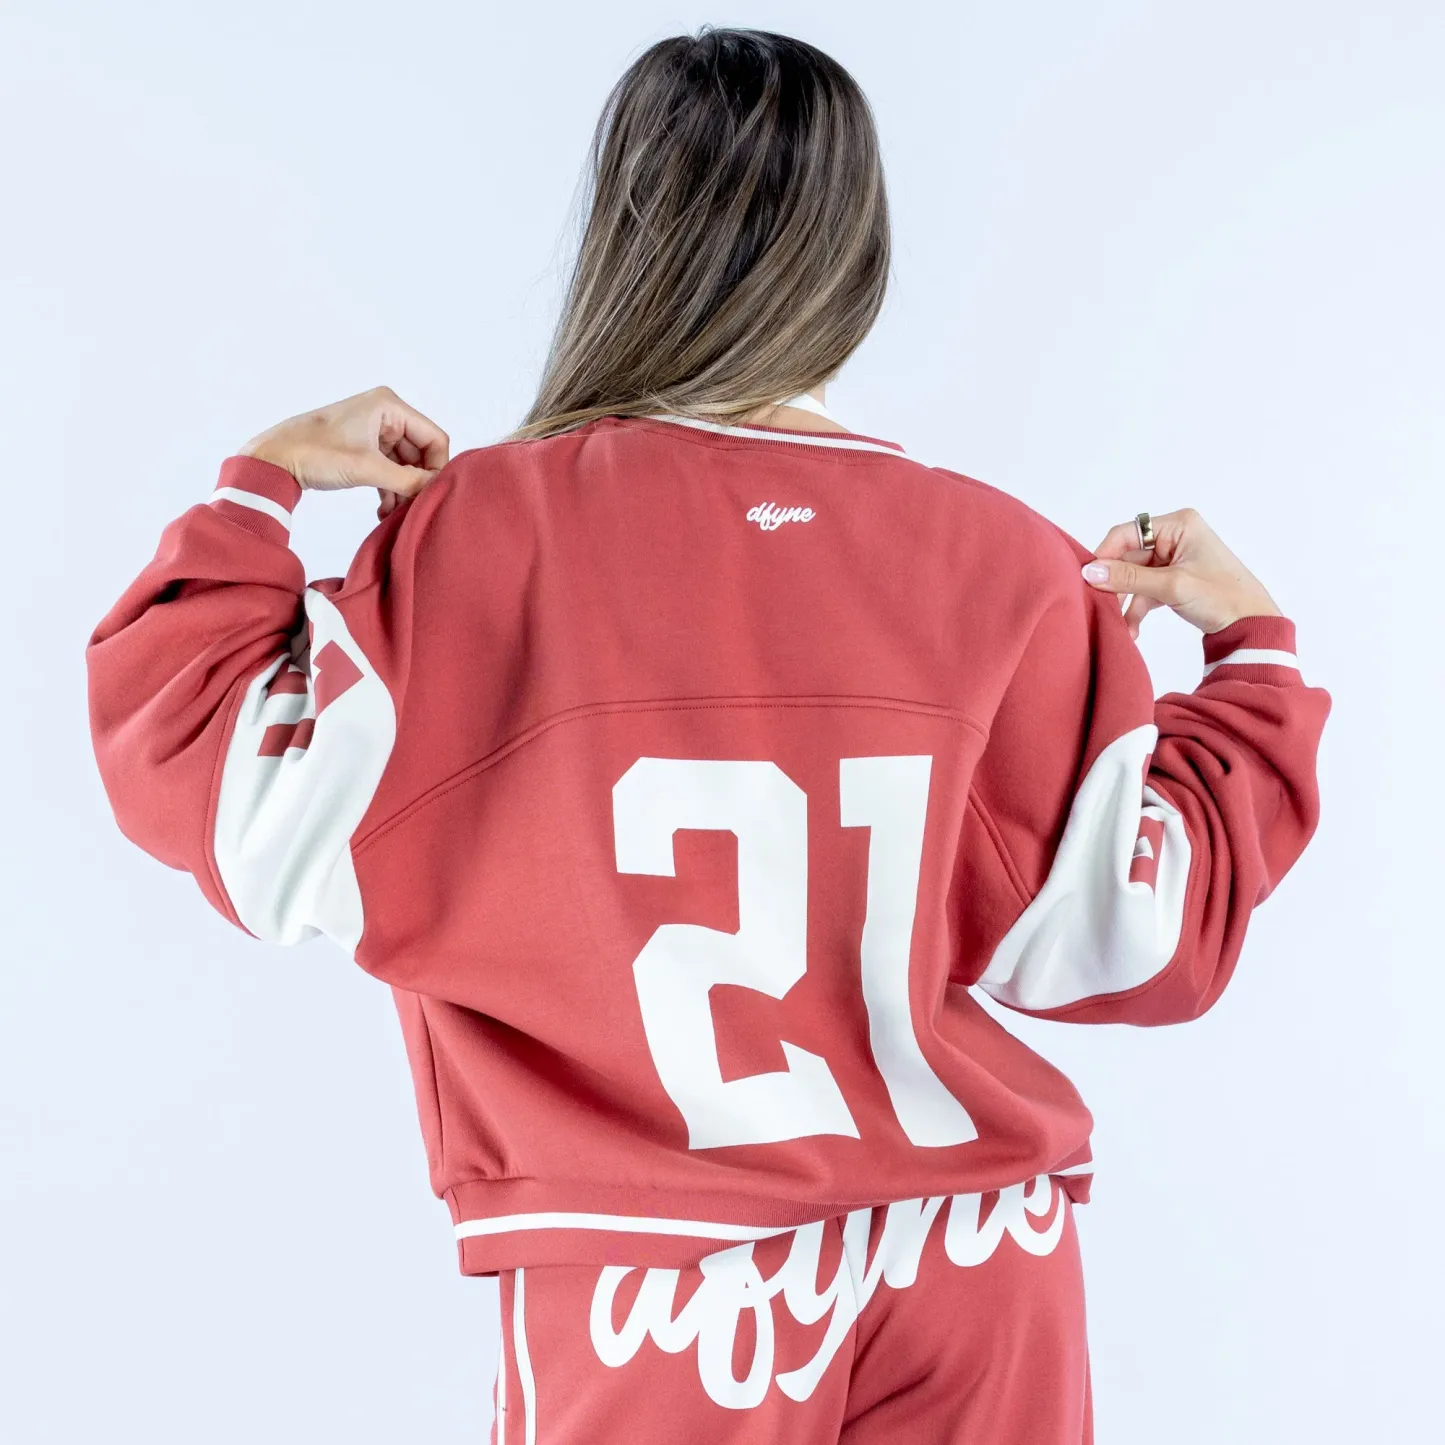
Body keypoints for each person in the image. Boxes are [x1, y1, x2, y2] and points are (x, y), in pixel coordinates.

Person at [84, 25, 1331, 1445]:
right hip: (982, 1258)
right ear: (858, 257)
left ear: (625, 237)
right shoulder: (1007, 559)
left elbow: (227, 792)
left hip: (660, 1283)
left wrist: (258, 485)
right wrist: (1252, 656)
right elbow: (1135, 937)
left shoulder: (478, 536)